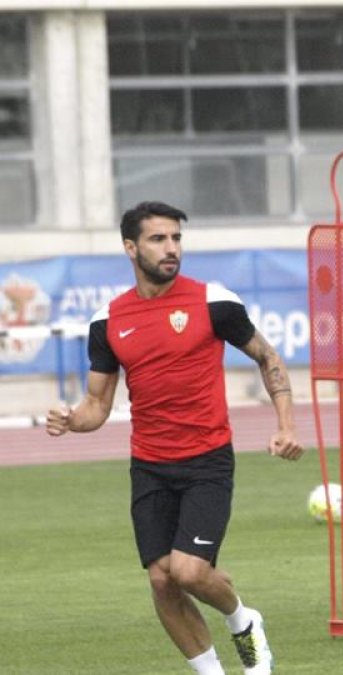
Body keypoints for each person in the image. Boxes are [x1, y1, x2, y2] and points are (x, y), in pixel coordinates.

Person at [44, 201, 303, 675]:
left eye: (176, 239)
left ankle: (244, 622)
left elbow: (267, 357)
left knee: (189, 571)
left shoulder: (214, 302)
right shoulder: (107, 320)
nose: (171, 248)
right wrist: (70, 420)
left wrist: (286, 425)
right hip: (149, 465)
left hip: (206, 460)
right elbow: (97, 405)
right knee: (162, 581)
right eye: (158, 239)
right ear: (130, 247)